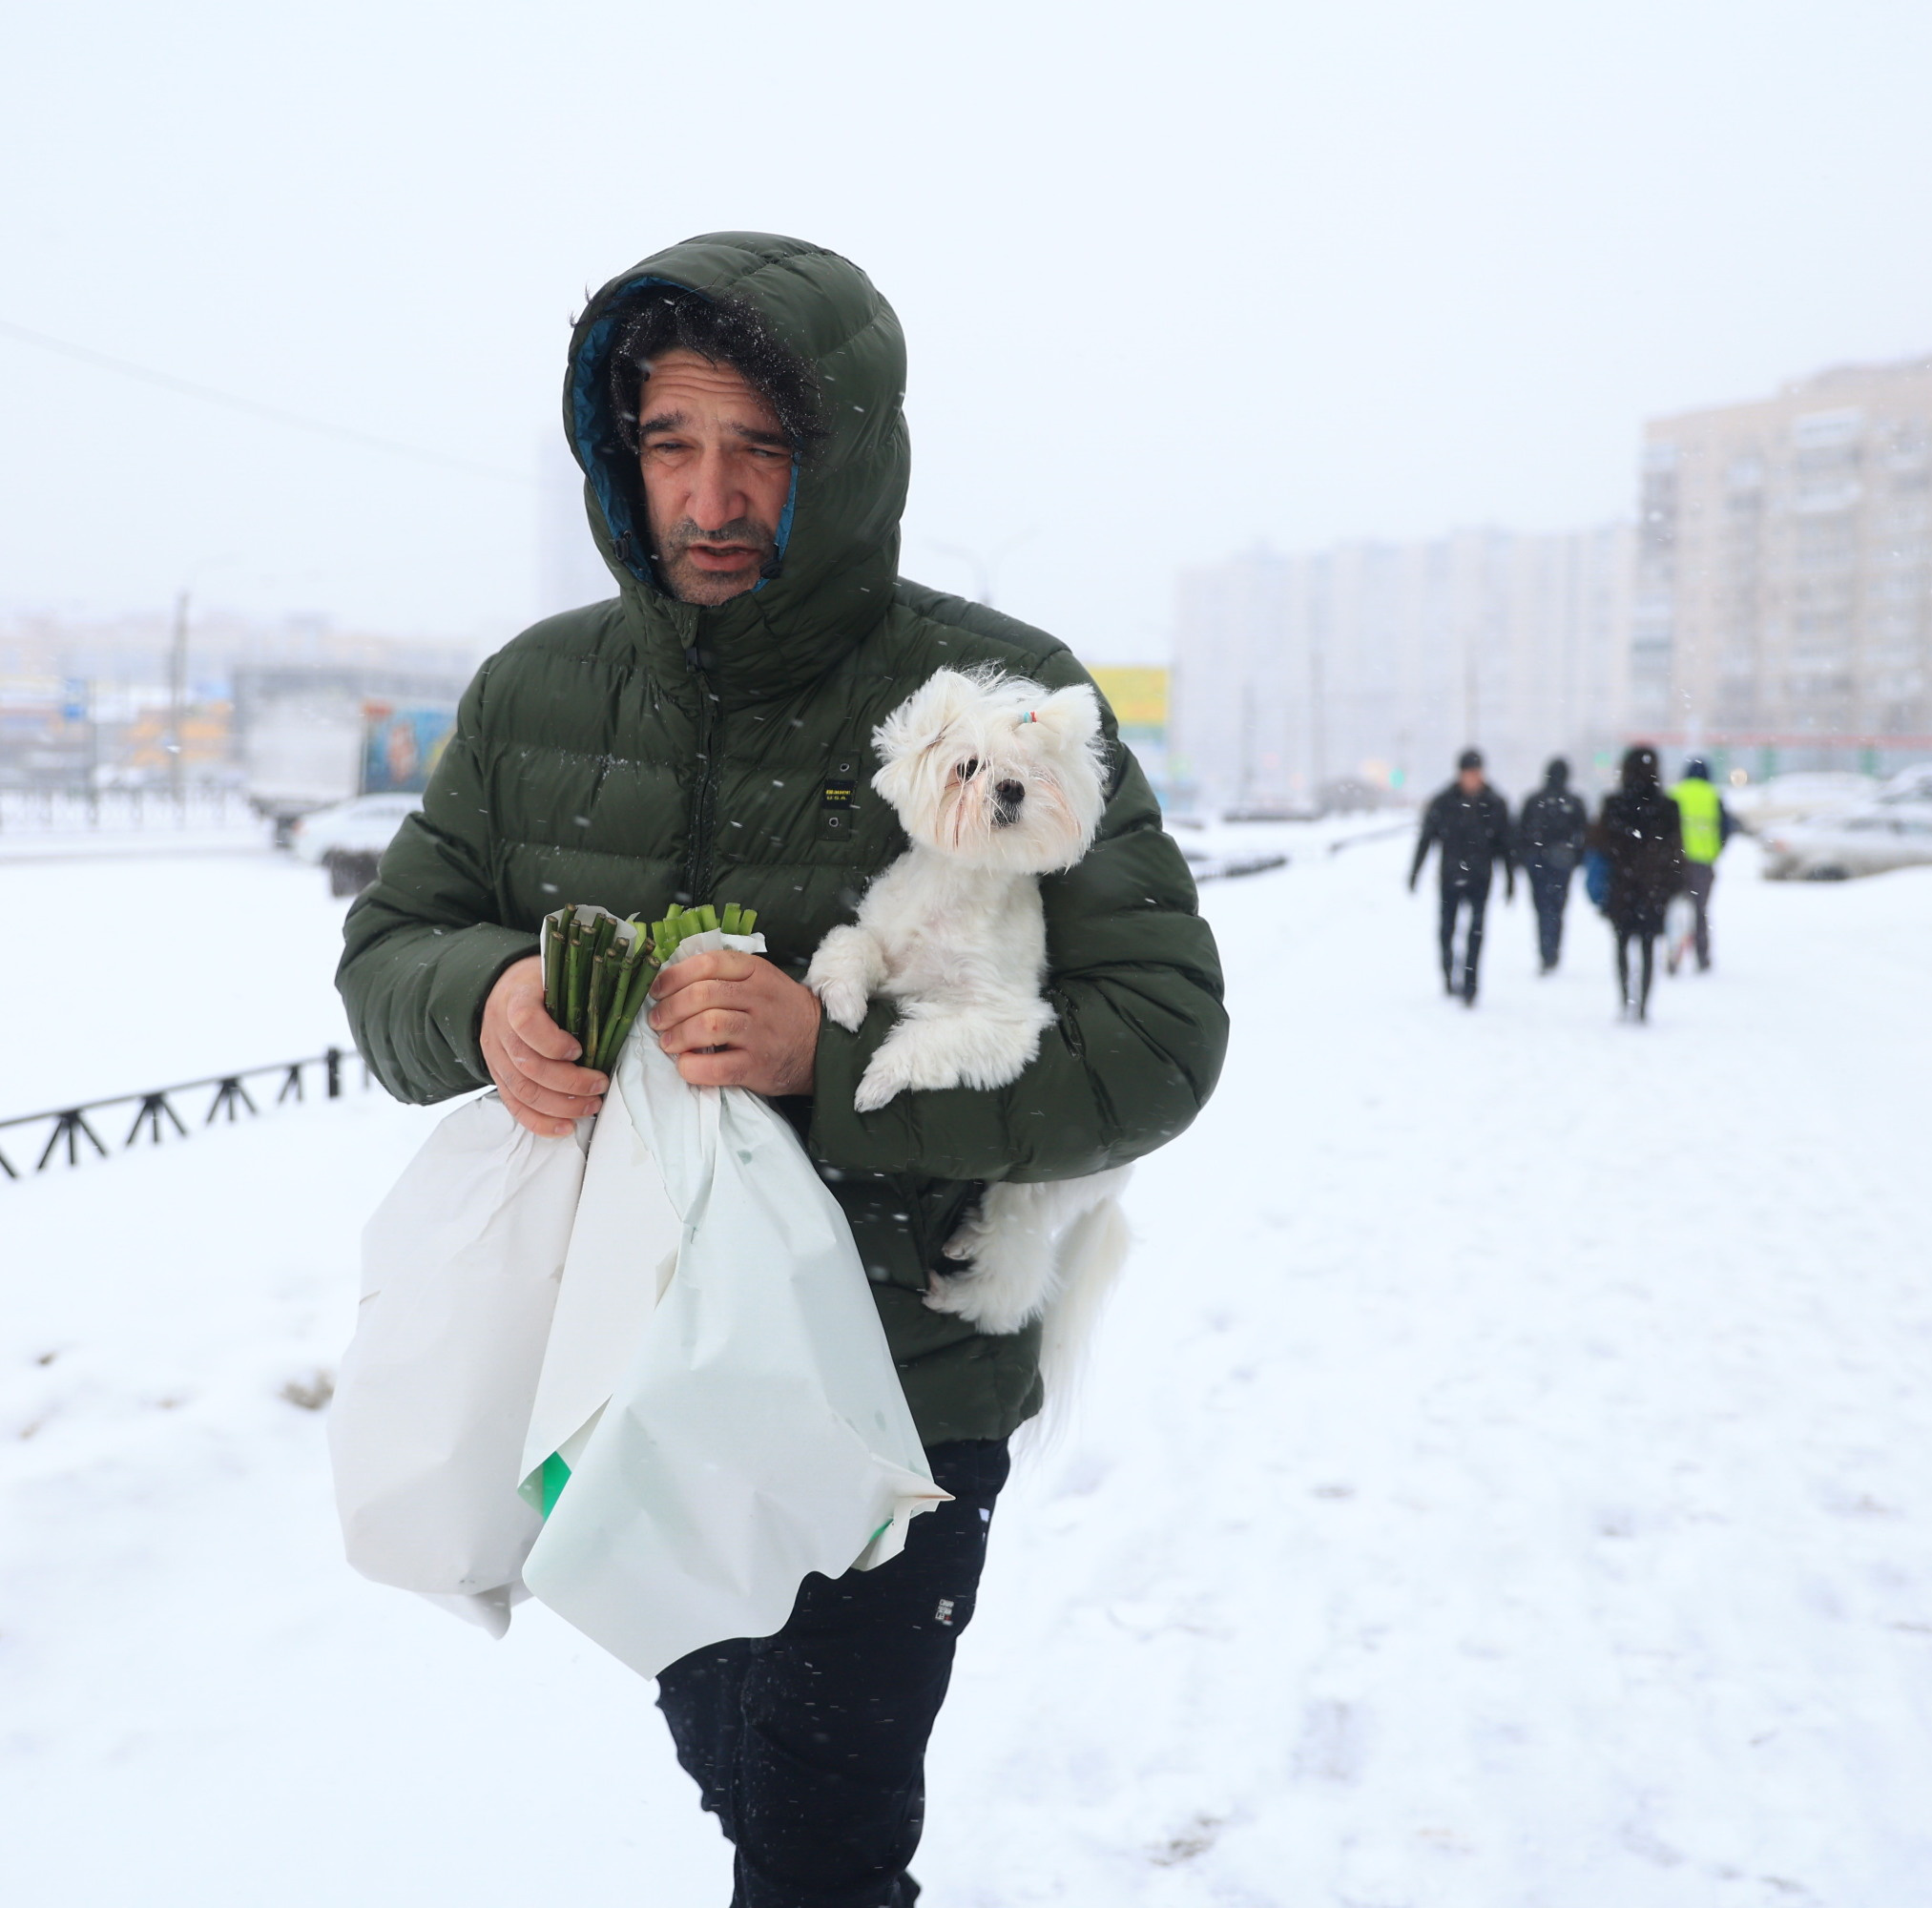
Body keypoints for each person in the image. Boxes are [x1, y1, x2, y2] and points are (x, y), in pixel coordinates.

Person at [336, 234, 1229, 1908]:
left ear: (847, 456)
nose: (715, 495)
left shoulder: (995, 697)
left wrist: (840, 1055)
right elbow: (387, 957)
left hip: (899, 1385)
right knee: (741, 1764)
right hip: (621, 1371)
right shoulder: (537, 691)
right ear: (621, 457)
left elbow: (1163, 1042)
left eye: (762, 446)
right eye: (672, 443)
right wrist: (486, 1001)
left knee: (820, 1834)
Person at [1406, 748, 1513, 1005]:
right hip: (1450, 876)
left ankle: (1470, 984)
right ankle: (1448, 974)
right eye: (1468, 773)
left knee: (1476, 931)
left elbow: (1505, 845)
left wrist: (1510, 879)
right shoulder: (1443, 802)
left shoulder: (1495, 803)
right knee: (1447, 929)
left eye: (1476, 773)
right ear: (1460, 774)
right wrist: (1415, 871)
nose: (1472, 778)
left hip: (1480, 877)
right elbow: (1426, 839)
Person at [1589, 743, 1683, 1022]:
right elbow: (1677, 852)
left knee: (1621, 945)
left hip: (1621, 888)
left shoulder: (1613, 804)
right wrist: (1673, 886)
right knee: (1648, 947)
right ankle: (1642, 1005)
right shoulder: (1667, 807)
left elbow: (1598, 845)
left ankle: (1624, 1000)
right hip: (1653, 888)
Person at [1513, 757, 1589, 974]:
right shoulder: (1573, 802)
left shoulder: (1534, 800)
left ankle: (1546, 951)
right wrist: (1577, 858)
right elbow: (1583, 833)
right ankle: (1552, 950)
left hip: (1537, 862)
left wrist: (1521, 858)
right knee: (1557, 908)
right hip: (1562, 863)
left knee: (1542, 907)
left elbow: (1520, 832)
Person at [1666, 756, 1740, 974]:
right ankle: (1702, 956)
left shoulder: (1675, 794)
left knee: (1674, 909)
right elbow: (1726, 829)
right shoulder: (1713, 796)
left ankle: (1673, 953)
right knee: (1700, 911)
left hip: (1676, 862)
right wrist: (1715, 850)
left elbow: (1664, 827)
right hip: (1703, 864)